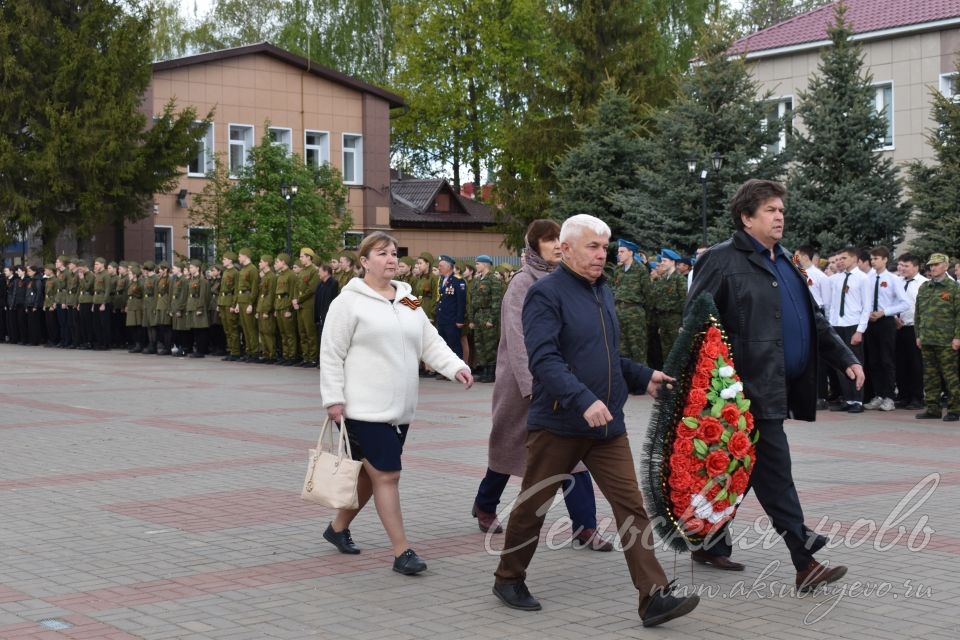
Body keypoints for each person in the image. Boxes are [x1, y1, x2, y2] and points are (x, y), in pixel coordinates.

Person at [492, 214, 697, 628]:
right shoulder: (545, 294)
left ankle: (653, 596)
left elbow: (605, 357)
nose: (601, 255)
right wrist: (582, 400)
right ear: (565, 249)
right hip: (558, 424)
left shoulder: (602, 291)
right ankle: (508, 578)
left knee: (631, 506)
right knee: (534, 504)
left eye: (604, 248)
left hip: (606, 426)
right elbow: (544, 359)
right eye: (592, 246)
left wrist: (643, 375)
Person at [686, 179, 863, 592]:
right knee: (775, 472)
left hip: (776, 386)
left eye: (781, 208)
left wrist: (846, 359)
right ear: (747, 218)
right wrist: (706, 388)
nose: (779, 215)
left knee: (741, 472)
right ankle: (805, 560)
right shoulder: (720, 260)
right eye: (769, 209)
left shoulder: (787, 261)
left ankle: (708, 541)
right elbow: (697, 325)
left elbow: (813, 320)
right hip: (742, 392)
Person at [319, 231, 473, 575]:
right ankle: (402, 552)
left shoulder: (408, 299)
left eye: (394, 253)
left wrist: (456, 367)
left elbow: (429, 339)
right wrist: (333, 399)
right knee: (387, 475)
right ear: (364, 262)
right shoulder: (348, 302)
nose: (391, 259)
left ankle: (337, 528)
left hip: (401, 410)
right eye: (382, 253)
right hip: (363, 408)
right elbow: (331, 352)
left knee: (367, 475)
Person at [474, 219, 613, 552]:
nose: (554, 245)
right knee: (506, 451)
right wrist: (533, 386)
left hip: (562, 383)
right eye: (548, 240)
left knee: (573, 454)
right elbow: (518, 340)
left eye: (556, 239)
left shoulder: (567, 280)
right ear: (535, 245)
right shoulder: (522, 283)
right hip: (524, 385)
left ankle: (585, 527)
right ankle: (485, 503)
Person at [862, 247, 910, 411]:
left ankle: (889, 396)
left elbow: (904, 302)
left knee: (886, 359)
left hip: (885, 322)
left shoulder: (893, 279)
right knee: (873, 360)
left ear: (885, 260)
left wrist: (885, 312)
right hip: (869, 322)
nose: (873, 261)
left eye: (876, 258)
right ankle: (879, 394)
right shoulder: (867, 278)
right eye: (871, 258)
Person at [914, 253, 960, 421]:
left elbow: (959, 315)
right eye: (931, 265)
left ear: (945, 267)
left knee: (950, 375)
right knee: (930, 375)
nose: (932, 268)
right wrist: (918, 335)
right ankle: (933, 407)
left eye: (936, 265)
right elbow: (918, 313)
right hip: (927, 339)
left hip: (946, 340)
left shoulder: (954, 288)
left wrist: (957, 337)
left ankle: (955, 408)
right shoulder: (925, 287)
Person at [826, 246, 870, 413]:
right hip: (837, 324)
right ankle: (848, 398)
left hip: (853, 324)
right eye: (838, 259)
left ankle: (857, 399)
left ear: (853, 259)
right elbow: (832, 304)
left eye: (843, 258)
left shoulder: (862, 278)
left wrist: (860, 330)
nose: (840, 262)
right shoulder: (836, 279)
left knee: (855, 361)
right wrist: (830, 324)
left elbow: (866, 306)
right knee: (841, 363)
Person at [894, 253, 926, 409]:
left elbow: (925, 309)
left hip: (914, 328)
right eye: (900, 265)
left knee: (915, 364)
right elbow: (890, 301)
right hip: (897, 327)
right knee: (900, 363)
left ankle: (917, 397)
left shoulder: (924, 283)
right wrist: (894, 317)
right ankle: (903, 395)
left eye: (906, 266)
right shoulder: (896, 282)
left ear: (916, 266)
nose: (902, 268)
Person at [467, 255, 502, 383]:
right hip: (478, 316)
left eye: (478, 264)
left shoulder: (493, 280)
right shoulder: (477, 280)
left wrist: (492, 319)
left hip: (488, 314)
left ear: (485, 264)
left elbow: (496, 301)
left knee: (490, 345)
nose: (476, 266)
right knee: (479, 344)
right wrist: (471, 319)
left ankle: (491, 373)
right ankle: (484, 370)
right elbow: (472, 301)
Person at [434, 255, 467, 359]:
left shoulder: (458, 281)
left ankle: (458, 371)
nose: (439, 268)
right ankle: (446, 371)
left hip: (452, 320)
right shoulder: (441, 280)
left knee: (454, 346)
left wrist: (460, 319)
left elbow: (461, 302)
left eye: (441, 266)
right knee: (443, 346)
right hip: (442, 319)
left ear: (449, 266)